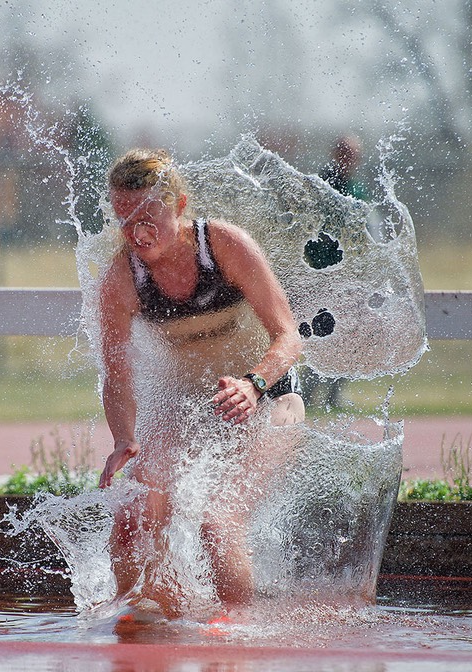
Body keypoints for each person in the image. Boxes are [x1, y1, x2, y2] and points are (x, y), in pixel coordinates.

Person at [95, 149, 304, 616]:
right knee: (133, 516)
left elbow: (289, 335)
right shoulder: (120, 280)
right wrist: (124, 439)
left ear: (180, 205)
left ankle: (231, 638)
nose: (137, 231)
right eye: (124, 218)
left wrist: (253, 385)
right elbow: (117, 376)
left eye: (149, 215)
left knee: (217, 521)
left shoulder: (225, 245)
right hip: (191, 404)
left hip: (271, 397)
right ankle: (141, 620)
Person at [302, 135, 368, 408]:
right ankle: (308, 389)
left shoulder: (358, 189)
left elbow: (363, 231)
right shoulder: (321, 184)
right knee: (321, 331)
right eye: (343, 153)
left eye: (352, 155)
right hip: (319, 271)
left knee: (347, 334)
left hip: (346, 274)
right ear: (334, 153)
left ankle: (334, 392)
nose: (347, 160)